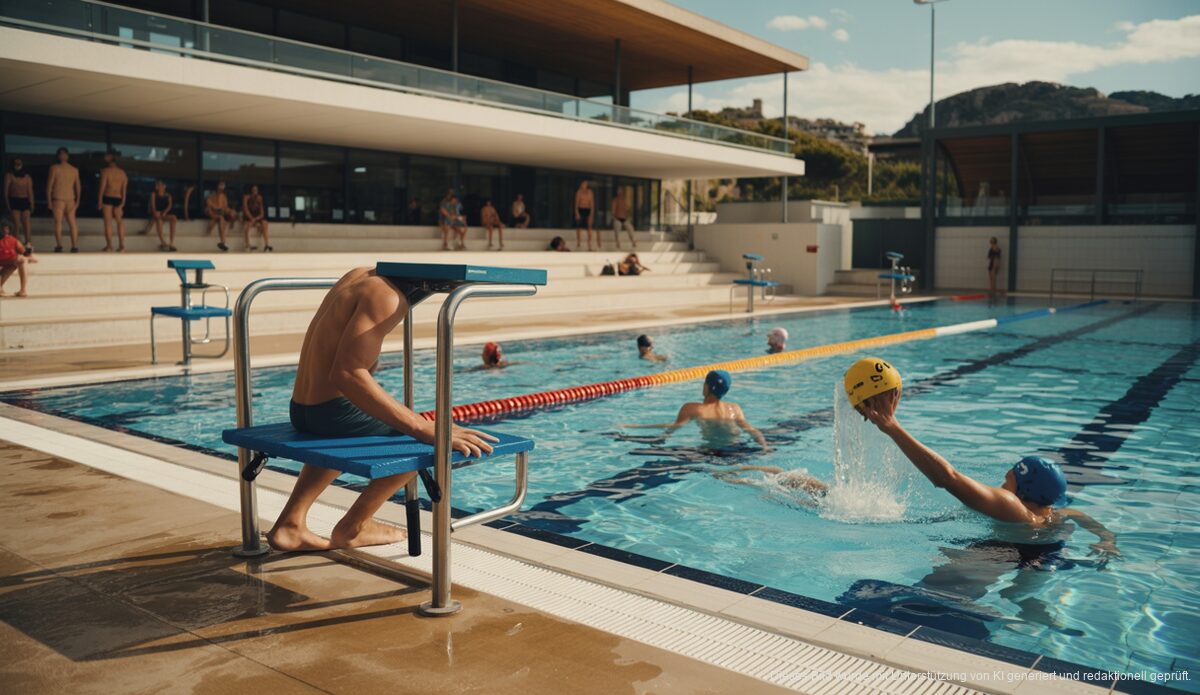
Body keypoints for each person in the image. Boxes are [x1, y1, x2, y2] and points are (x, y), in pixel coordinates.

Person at [268, 267, 498, 551]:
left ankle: (291, 523)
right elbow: (347, 374)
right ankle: (355, 527)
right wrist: (421, 427)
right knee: (428, 442)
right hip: (332, 415)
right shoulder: (389, 297)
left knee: (365, 428)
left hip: (303, 410)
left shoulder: (359, 277)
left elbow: (344, 362)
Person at [849, 357, 1119, 551]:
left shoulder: (1010, 505)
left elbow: (948, 477)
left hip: (1002, 556)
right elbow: (1081, 516)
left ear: (1023, 490)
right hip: (1036, 555)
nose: (1004, 478)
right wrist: (1106, 540)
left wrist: (892, 427)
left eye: (1010, 477)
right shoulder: (1050, 513)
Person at [622, 370, 769, 450]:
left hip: (713, 453)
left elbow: (672, 429)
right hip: (738, 449)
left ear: (708, 387)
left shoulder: (693, 408)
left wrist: (636, 428)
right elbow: (752, 430)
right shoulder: (735, 408)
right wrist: (764, 447)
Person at [46, 147, 80, 253]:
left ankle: (60, 245)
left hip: (59, 198)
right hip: (69, 198)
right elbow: (78, 187)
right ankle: (73, 246)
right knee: (71, 223)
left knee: (59, 222)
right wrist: (78, 200)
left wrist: (49, 201)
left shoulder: (55, 168)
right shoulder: (74, 170)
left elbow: (49, 186)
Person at [97, 151, 128, 252]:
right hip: (118, 198)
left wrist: (99, 201)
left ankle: (109, 246)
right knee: (119, 222)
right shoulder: (122, 173)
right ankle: (122, 246)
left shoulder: (106, 171)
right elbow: (124, 190)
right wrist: (123, 202)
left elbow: (102, 187)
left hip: (108, 196)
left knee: (108, 223)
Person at [5, 159, 35, 255]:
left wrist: (32, 203)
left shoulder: (27, 177)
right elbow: (5, 192)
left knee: (26, 222)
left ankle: (28, 244)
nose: (18, 165)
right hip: (14, 200)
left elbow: (30, 192)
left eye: (19, 163)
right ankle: (16, 245)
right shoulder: (9, 175)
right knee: (16, 224)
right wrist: (7, 204)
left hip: (24, 200)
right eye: (16, 163)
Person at [0, 221, 30, 297]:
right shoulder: (13, 240)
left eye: (6, 229)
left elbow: (24, 252)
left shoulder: (13, 240)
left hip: (8, 261)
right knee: (20, 261)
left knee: (19, 262)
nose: (4, 231)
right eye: (3, 229)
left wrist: (28, 254)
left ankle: (23, 290)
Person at [205, 181, 236, 252]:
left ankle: (222, 242)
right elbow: (209, 205)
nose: (222, 187)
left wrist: (231, 212)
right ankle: (223, 241)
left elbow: (225, 207)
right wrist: (216, 209)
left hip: (220, 214)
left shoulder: (223, 196)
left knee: (223, 218)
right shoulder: (211, 195)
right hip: (212, 213)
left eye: (223, 185)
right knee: (220, 219)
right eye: (220, 185)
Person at [149, 180, 178, 252]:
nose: (158, 186)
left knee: (174, 218)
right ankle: (162, 242)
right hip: (156, 214)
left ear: (164, 186)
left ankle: (171, 243)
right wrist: (155, 212)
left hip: (163, 214)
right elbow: (152, 206)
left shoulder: (168, 195)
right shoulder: (154, 194)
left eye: (160, 185)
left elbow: (169, 205)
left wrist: (165, 211)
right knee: (159, 220)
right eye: (158, 185)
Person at [242, 184, 271, 252]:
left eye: (256, 190)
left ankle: (266, 244)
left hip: (256, 218)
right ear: (251, 190)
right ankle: (248, 245)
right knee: (246, 227)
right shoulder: (246, 197)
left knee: (265, 223)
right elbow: (246, 210)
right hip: (249, 217)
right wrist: (252, 219)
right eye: (253, 190)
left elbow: (262, 213)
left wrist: (255, 219)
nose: (255, 191)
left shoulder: (259, 198)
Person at [574, 180, 595, 251]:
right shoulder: (579, 192)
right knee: (579, 226)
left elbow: (592, 203)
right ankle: (578, 242)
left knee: (589, 227)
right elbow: (576, 203)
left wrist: (591, 213)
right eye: (583, 184)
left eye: (585, 184)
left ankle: (589, 244)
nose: (584, 185)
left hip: (588, 209)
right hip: (581, 209)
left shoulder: (590, 192)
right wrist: (577, 212)